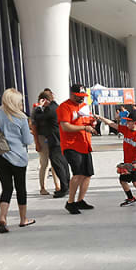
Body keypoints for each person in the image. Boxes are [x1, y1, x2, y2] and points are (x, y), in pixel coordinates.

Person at [0, 88, 35, 234]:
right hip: (17, 157)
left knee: (6, 188)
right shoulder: (21, 117)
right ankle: (23, 219)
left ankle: (2, 218)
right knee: (21, 188)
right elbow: (27, 140)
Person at [57, 84, 98, 215]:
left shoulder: (84, 106)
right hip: (71, 145)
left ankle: (80, 200)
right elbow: (65, 126)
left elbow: (88, 120)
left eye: (83, 96)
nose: (81, 98)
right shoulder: (64, 107)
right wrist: (84, 128)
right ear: (72, 94)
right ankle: (70, 202)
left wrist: (92, 123)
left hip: (85, 144)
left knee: (87, 174)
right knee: (78, 174)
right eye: (78, 96)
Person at [31, 89, 69, 198]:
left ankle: (64, 187)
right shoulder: (56, 107)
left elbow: (39, 117)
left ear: (45, 100)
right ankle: (65, 185)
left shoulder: (50, 109)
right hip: (59, 139)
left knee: (57, 164)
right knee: (62, 163)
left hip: (54, 140)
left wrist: (38, 107)